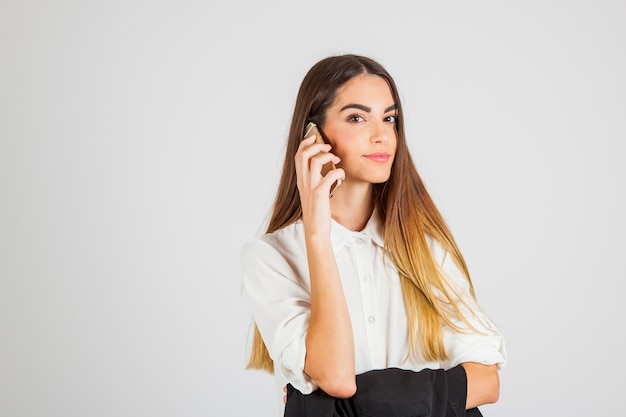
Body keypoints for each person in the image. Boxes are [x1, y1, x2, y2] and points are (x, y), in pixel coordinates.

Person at [240, 54, 506, 417]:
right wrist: (317, 235)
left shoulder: (424, 249)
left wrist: (337, 406)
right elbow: (337, 378)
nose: (382, 135)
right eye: (356, 117)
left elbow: (487, 383)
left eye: (390, 118)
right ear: (311, 136)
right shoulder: (270, 257)